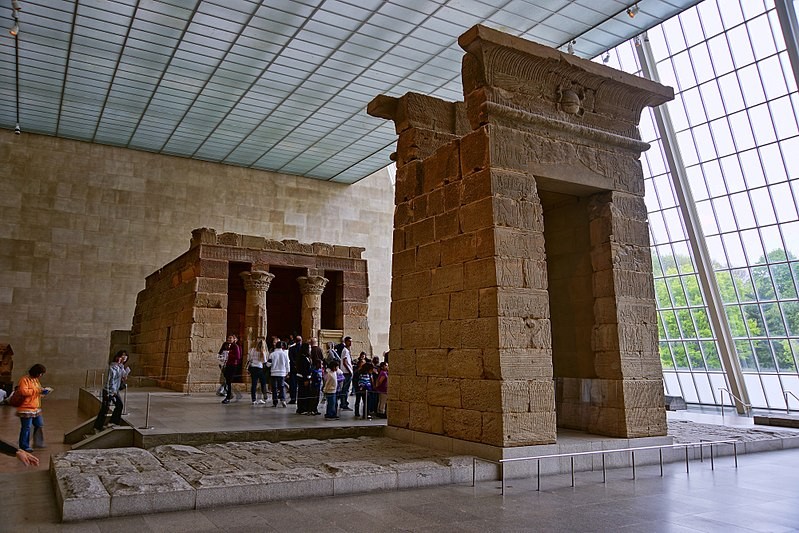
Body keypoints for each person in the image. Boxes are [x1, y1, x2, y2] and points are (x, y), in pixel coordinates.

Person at [15, 364, 51, 452]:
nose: (41, 375)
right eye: (41, 373)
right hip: (26, 408)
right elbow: (24, 392)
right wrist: (38, 390)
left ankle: (38, 443)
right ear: (36, 372)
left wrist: (43, 392)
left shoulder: (36, 380)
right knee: (26, 427)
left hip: (35, 408)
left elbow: (37, 391)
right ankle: (24, 445)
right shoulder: (24, 380)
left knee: (39, 424)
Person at [93, 351, 127, 432]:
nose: (122, 359)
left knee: (119, 405)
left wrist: (124, 377)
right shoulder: (111, 367)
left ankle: (113, 422)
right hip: (109, 391)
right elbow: (108, 380)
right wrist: (108, 392)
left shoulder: (120, 367)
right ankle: (97, 427)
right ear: (117, 357)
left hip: (115, 391)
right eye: (121, 357)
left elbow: (121, 377)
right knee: (105, 409)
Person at [267, 341, 289, 407]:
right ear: (282, 346)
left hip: (274, 373)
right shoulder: (284, 354)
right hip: (282, 373)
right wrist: (288, 371)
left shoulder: (272, 354)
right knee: (282, 387)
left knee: (274, 388)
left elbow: (268, 364)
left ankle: (275, 402)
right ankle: (283, 400)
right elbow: (287, 364)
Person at [220, 334, 241, 404]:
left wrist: (229, 355)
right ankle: (229, 395)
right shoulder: (228, 346)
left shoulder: (235, 346)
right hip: (228, 364)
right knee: (227, 380)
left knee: (228, 381)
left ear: (234, 339)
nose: (229, 339)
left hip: (232, 365)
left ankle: (228, 397)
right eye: (228, 338)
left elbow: (238, 357)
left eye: (231, 338)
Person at [248, 338, 269, 405]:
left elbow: (250, 359)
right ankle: (265, 397)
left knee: (254, 384)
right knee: (263, 383)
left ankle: (253, 399)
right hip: (259, 368)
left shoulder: (252, 350)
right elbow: (264, 361)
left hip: (253, 368)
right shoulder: (262, 351)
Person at [295, 343, 314, 415]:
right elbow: (303, 369)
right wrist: (306, 379)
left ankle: (305, 407)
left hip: (306, 377)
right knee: (303, 393)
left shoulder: (306, 357)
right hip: (303, 378)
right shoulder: (302, 358)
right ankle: (301, 408)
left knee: (306, 393)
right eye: (309, 348)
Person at [338, 336, 353, 411]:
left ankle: (344, 403)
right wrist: (350, 371)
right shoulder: (345, 351)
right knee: (345, 389)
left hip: (347, 372)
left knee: (346, 389)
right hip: (346, 373)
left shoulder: (347, 350)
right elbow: (345, 362)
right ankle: (343, 404)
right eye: (349, 341)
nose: (350, 343)